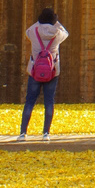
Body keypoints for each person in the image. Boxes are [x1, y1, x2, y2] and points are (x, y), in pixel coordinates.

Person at [20, 9, 68, 141]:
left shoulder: (34, 31)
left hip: (35, 71)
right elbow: (66, 33)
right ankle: (46, 133)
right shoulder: (58, 33)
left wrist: (39, 22)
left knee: (30, 101)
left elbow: (27, 31)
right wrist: (56, 22)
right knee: (49, 101)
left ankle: (23, 133)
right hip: (52, 72)